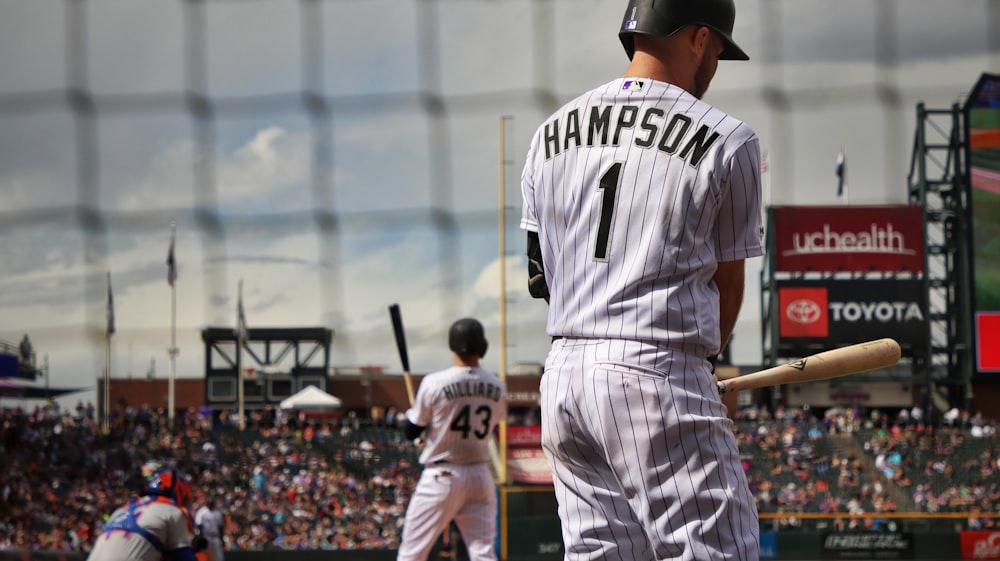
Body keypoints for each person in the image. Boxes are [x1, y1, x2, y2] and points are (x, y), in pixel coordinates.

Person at [519, 0, 764, 560]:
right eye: (720, 50)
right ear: (699, 39)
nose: (717, 64)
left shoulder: (549, 131)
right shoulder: (730, 139)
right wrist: (700, 371)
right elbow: (727, 285)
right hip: (657, 371)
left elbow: (543, 277)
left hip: (563, 380)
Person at [396, 318, 508, 561]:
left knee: (411, 553)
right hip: (480, 475)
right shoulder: (498, 386)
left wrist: (413, 421)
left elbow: (411, 431)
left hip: (442, 476)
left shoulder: (434, 382)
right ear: (483, 347)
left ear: (452, 346)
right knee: (483, 553)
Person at [87, 468, 198, 561]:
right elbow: (183, 557)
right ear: (177, 492)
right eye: (185, 499)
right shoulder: (172, 512)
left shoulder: (121, 510)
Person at [194, 496, 225, 561]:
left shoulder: (217, 513)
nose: (211, 504)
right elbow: (199, 526)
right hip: (206, 537)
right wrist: (201, 538)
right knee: (206, 556)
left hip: (215, 537)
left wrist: (221, 538)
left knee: (219, 557)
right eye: (209, 503)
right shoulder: (201, 512)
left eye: (212, 503)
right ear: (207, 503)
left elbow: (220, 527)